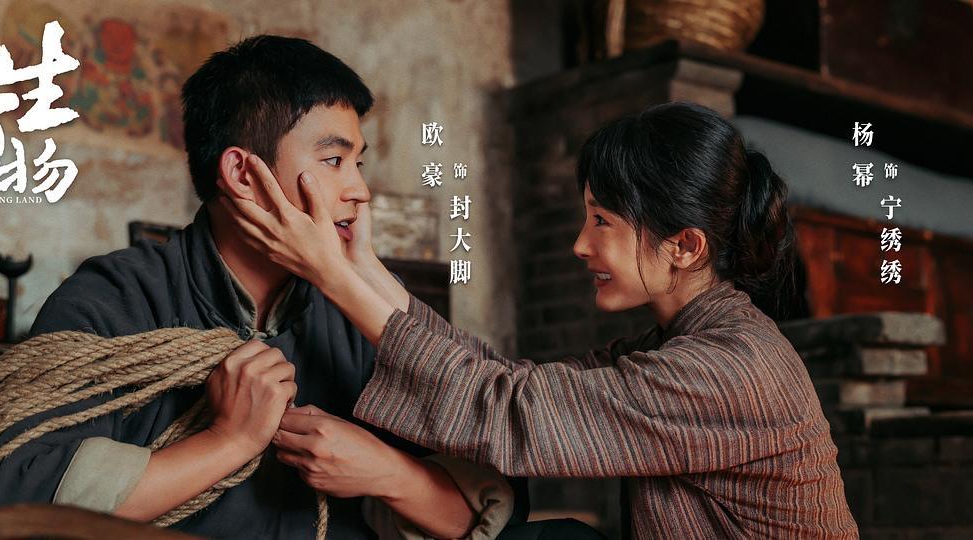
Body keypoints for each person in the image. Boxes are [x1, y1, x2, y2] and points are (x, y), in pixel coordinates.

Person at [0, 35, 549, 539]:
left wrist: (389, 473)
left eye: (358, 163)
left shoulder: (362, 313)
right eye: (334, 160)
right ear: (243, 174)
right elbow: (13, 500)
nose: (359, 191)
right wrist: (227, 441)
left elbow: (494, 503)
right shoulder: (115, 298)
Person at [221, 102, 861, 538]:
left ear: (685, 246)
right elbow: (508, 380)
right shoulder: (688, 341)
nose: (581, 245)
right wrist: (359, 265)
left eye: (602, 222)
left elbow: (507, 409)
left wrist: (329, 276)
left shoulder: (726, 370)